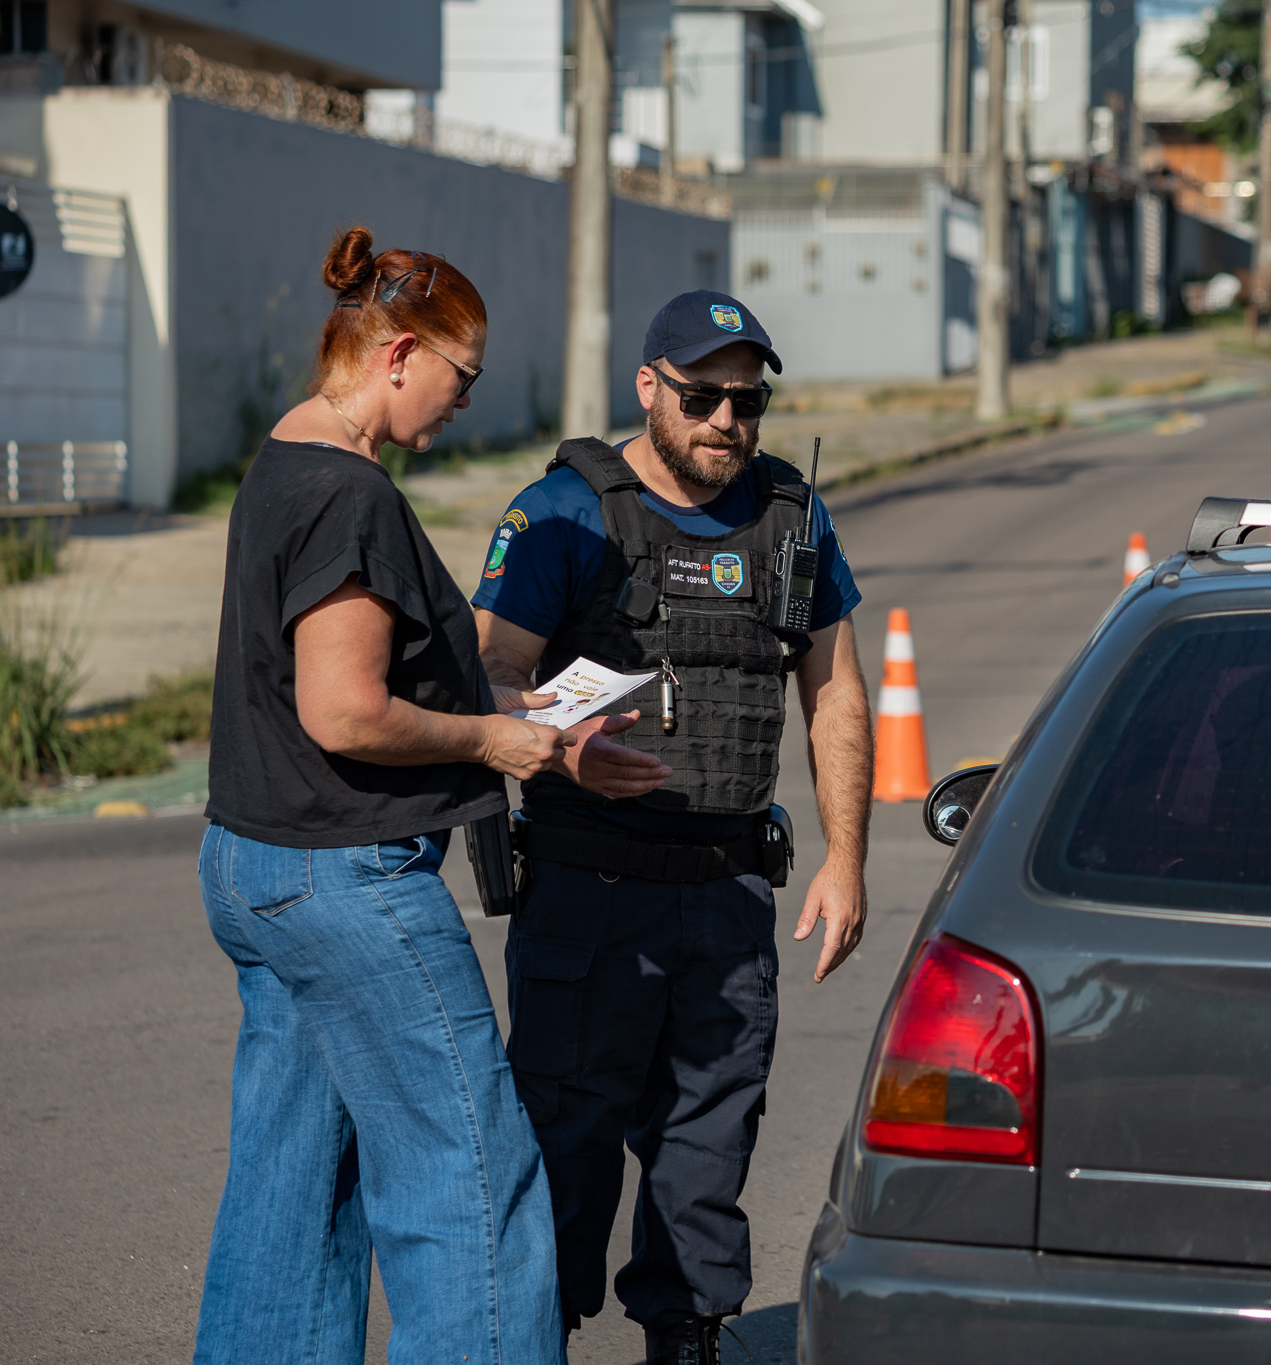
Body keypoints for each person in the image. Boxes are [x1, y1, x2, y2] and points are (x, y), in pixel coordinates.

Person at [195, 227, 587, 1364]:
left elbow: (326, 672)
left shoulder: (285, 455)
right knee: (471, 1177)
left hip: (260, 864)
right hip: (347, 878)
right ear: (401, 353)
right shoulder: (350, 494)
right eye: (463, 376)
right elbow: (344, 711)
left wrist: (500, 697)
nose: (465, 401)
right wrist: (492, 739)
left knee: (293, 1188)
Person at [472, 290, 872, 1363]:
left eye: (748, 401)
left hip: (726, 888)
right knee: (565, 1139)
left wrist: (845, 859)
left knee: (708, 1142)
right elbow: (491, 673)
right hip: (588, 890)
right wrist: (560, 748)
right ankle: (534, 1338)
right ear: (649, 387)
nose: (727, 421)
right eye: (702, 397)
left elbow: (835, 689)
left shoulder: (790, 516)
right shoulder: (564, 512)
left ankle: (686, 1337)